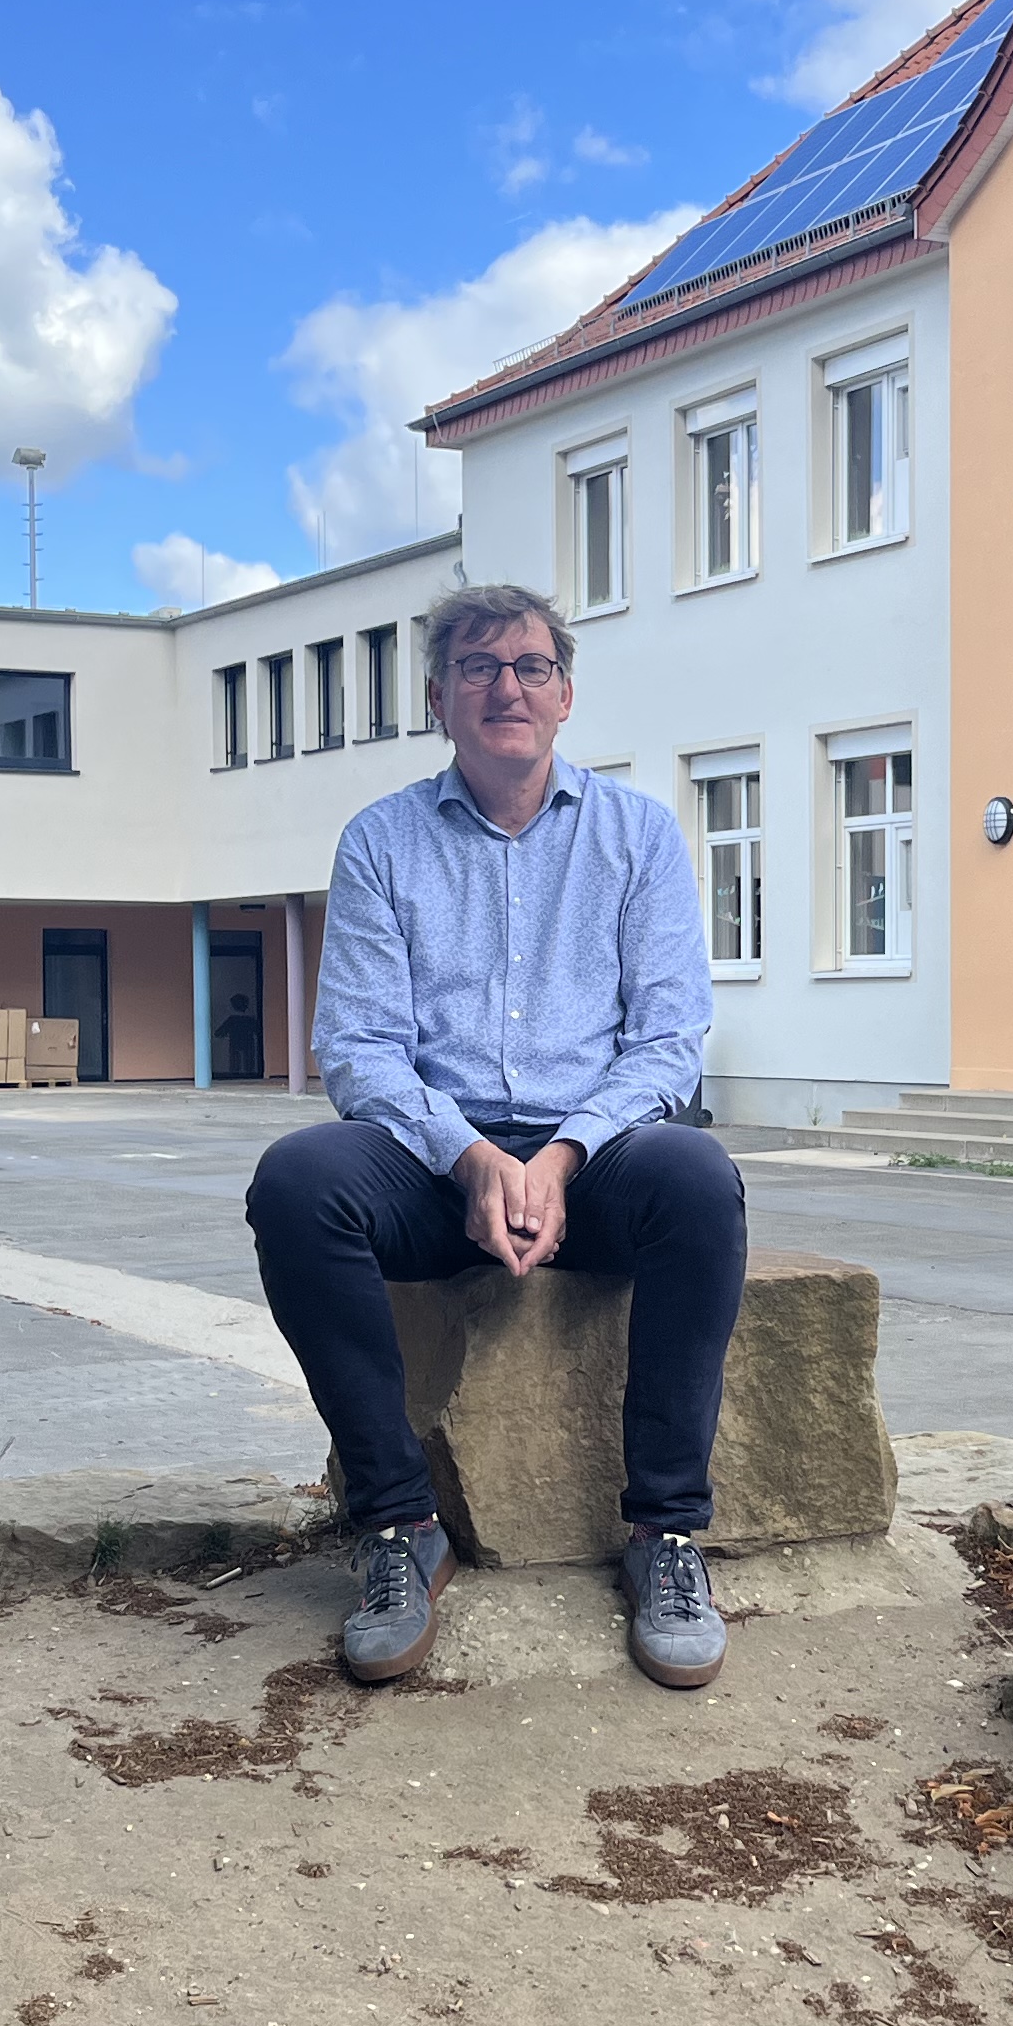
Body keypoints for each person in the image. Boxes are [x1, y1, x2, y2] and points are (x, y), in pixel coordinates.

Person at [246, 587, 746, 1693]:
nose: (505, 687)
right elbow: (359, 1047)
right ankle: (397, 1527)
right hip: (436, 1162)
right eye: (477, 668)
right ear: (439, 699)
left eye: (529, 666)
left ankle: (665, 1537)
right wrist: (468, 1157)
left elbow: (670, 1039)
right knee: (297, 1183)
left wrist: (563, 1156)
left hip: (596, 1157)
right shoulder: (381, 842)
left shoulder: (639, 836)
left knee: (699, 1179)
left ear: (565, 694)